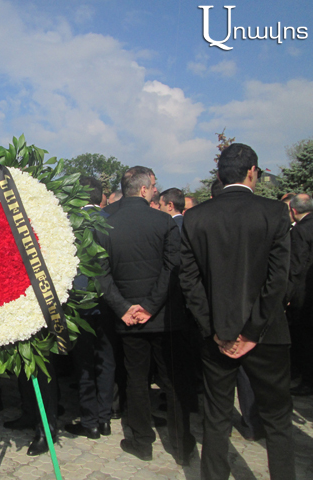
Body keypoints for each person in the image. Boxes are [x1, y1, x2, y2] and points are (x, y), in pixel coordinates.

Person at [180, 143, 294, 480]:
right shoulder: (274, 211)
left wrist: (214, 328)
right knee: (277, 420)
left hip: (219, 333)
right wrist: (252, 330)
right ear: (252, 172)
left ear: (219, 175)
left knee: (216, 417)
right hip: (267, 333)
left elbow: (189, 281)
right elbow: (278, 279)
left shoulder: (196, 217)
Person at [96, 166, 195, 465]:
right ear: (142, 190)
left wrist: (124, 307)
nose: (155, 192)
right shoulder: (164, 221)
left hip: (130, 318)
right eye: (152, 188)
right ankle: (181, 444)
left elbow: (101, 273)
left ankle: (141, 442)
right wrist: (150, 306)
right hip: (163, 316)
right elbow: (173, 268)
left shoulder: (105, 224)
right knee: (172, 380)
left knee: (136, 379)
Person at [65, 176, 115, 441]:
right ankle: (105, 418)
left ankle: (90, 421)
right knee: (106, 360)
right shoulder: (113, 220)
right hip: (109, 301)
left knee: (84, 363)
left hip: (80, 301)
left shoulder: (70, 222)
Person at [285, 193, 313, 396]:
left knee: (303, 338)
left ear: (293, 211)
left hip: (303, 294)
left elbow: (296, 265)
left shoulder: (300, 230)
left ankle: (306, 380)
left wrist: (288, 294)